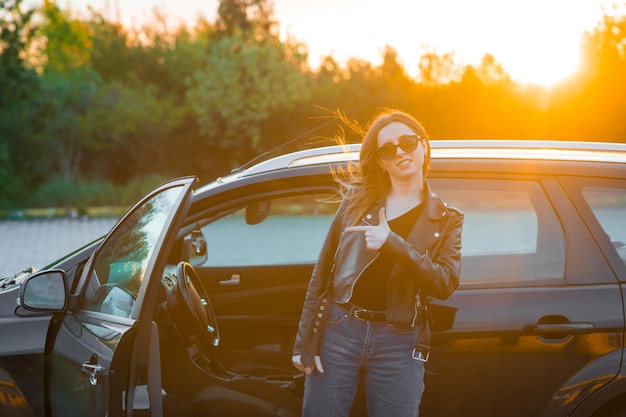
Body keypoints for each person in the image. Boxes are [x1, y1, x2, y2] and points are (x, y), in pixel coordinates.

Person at [291, 109, 464, 417]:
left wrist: (392, 242)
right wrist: (305, 342)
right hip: (339, 329)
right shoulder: (359, 199)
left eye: (407, 142)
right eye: (388, 149)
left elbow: (444, 283)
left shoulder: (448, 219)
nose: (399, 152)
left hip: (399, 341)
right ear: (381, 162)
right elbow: (323, 271)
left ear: (424, 146)